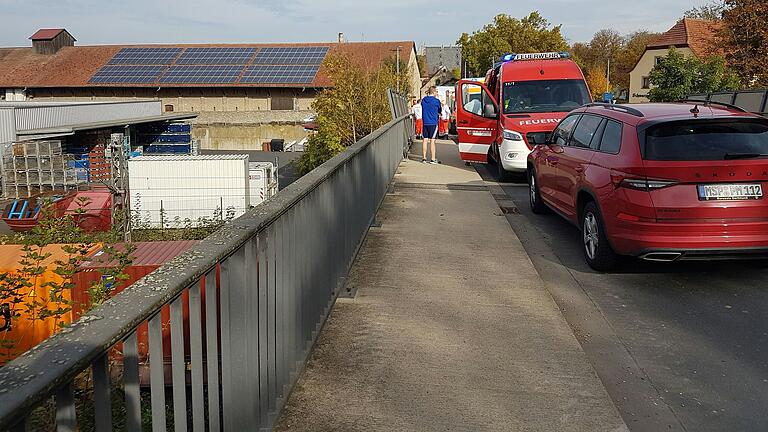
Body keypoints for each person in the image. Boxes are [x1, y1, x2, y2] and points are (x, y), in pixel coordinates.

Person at [420, 86, 442, 164]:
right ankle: (432, 159)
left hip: (425, 122)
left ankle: (424, 158)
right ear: (433, 92)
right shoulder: (437, 101)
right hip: (433, 123)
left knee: (425, 140)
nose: (437, 93)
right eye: (436, 92)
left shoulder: (423, 101)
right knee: (432, 141)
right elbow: (440, 110)